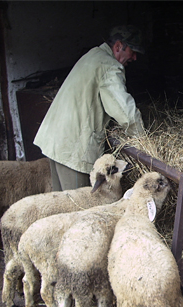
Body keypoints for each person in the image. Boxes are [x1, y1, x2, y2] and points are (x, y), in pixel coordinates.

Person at [34, 25, 145, 191]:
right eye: (133, 51)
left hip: (57, 140)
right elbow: (124, 111)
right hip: (73, 149)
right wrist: (142, 139)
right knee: (79, 208)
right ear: (118, 46)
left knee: (63, 206)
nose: (135, 58)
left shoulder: (93, 55)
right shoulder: (109, 66)